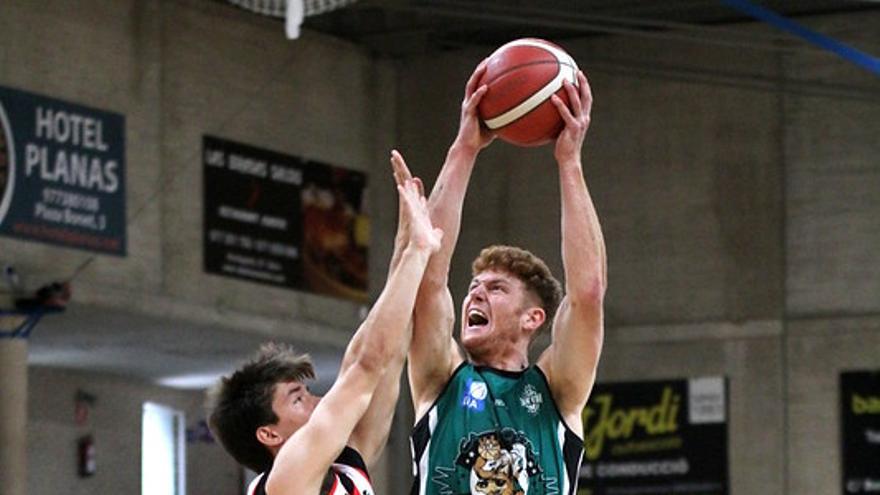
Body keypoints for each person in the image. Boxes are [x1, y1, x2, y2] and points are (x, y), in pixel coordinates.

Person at [404, 60, 606, 495]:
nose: (476, 293)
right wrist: (465, 147)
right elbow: (428, 279)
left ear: (533, 318)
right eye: (475, 286)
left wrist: (569, 162)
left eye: (496, 288)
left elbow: (587, 293)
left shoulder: (558, 389)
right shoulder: (441, 375)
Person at [206, 155, 442, 495]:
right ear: (270, 434)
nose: (320, 402)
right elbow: (365, 364)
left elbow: (386, 360)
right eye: (297, 399)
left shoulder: (347, 467)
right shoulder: (285, 482)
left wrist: (405, 243)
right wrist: (417, 251)